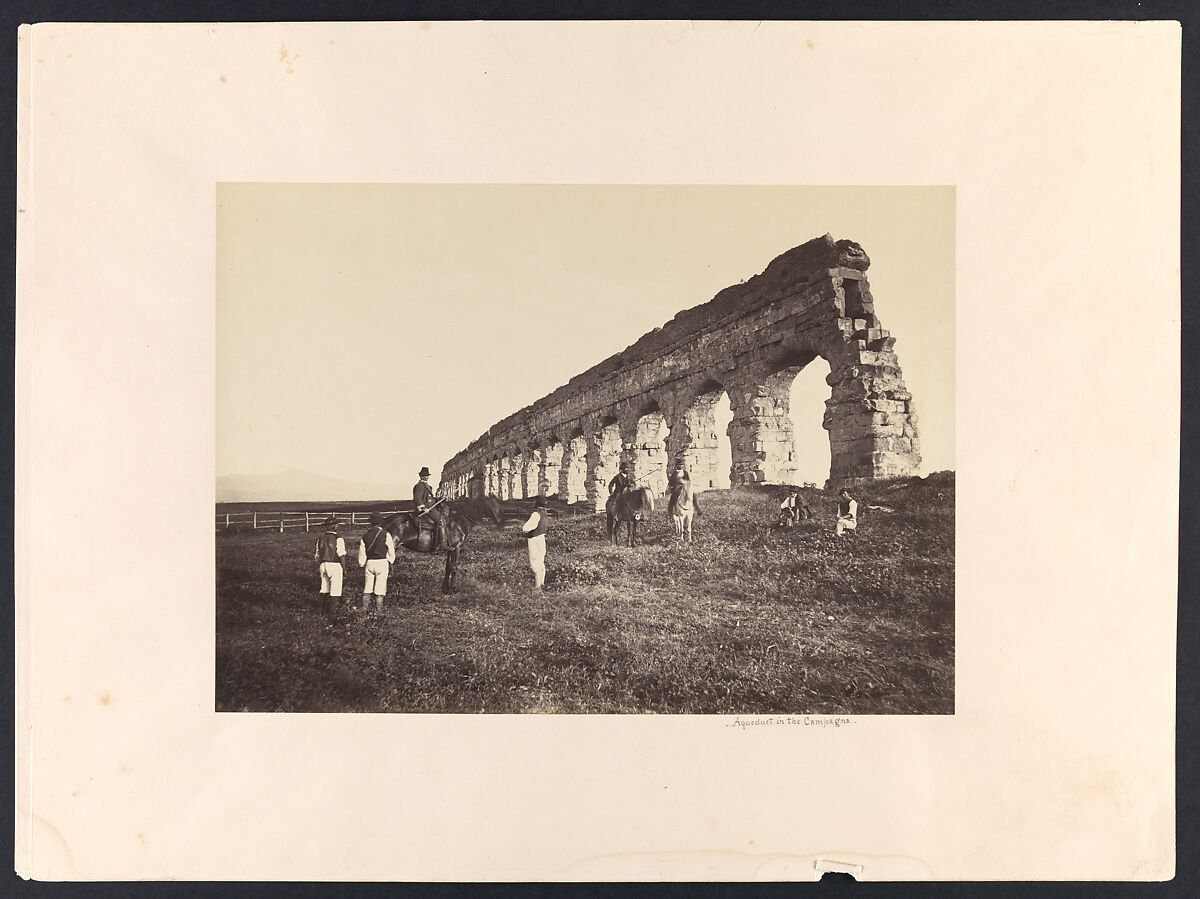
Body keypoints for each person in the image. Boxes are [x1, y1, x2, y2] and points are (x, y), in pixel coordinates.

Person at [357, 511, 396, 615]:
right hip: (382, 562)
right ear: (380, 523)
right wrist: (390, 561)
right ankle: (379, 613)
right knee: (380, 590)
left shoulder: (365, 536)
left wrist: (362, 563)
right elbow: (391, 550)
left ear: (371, 523)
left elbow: (362, 553)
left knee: (367, 589)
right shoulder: (385, 534)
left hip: (370, 563)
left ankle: (364, 611)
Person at [313, 515, 346, 621]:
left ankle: (320, 613)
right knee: (335, 591)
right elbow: (341, 555)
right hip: (335, 565)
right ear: (335, 526)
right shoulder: (338, 538)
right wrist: (344, 568)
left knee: (324, 589)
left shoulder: (320, 538)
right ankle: (332, 616)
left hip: (323, 565)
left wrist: (321, 564)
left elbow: (317, 555)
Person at [521, 495, 550, 591]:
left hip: (534, 539)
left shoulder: (536, 514)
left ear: (537, 503)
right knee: (541, 562)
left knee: (535, 562)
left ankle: (537, 588)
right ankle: (541, 583)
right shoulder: (544, 513)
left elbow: (526, 528)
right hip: (542, 538)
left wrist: (524, 528)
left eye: (534, 501)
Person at [413, 466, 444, 550]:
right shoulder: (420, 486)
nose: (427, 477)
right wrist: (423, 508)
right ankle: (440, 544)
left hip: (431, 508)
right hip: (427, 510)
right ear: (421, 476)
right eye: (425, 475)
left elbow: (430, 499)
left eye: (427, 475)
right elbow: (417, 498)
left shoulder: (427, 486)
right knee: (440, 520)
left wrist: (439, 499)